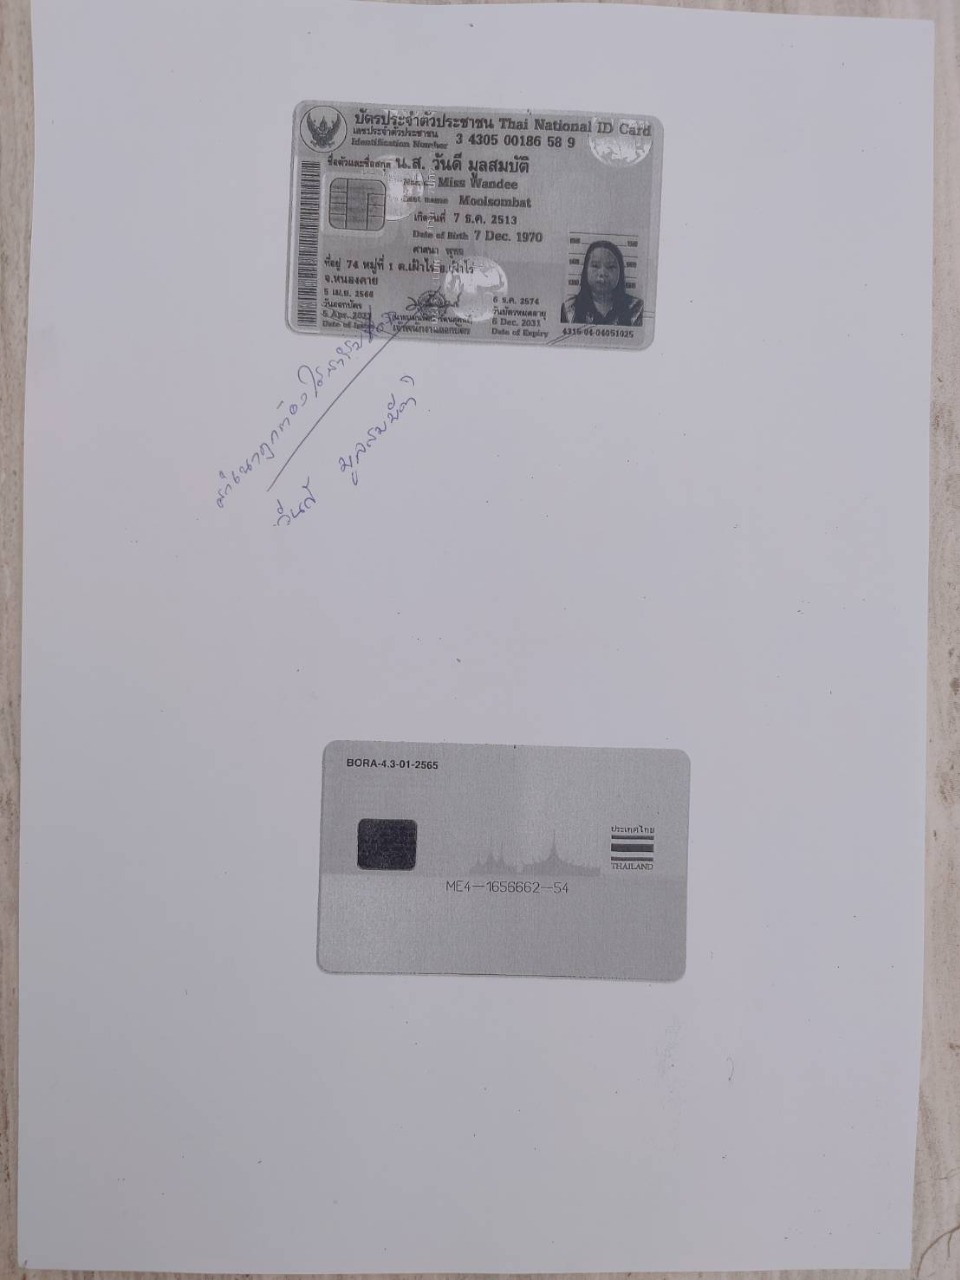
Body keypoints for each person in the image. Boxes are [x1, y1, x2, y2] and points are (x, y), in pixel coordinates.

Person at [561, 240, 643, 326]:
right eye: (595, 266)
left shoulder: (636, 309)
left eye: (610, 267)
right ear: (586, 270)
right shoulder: (569, 309)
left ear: (620, 272)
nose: (602, 273)